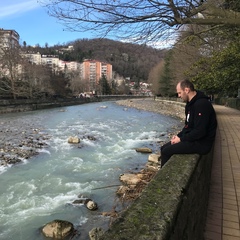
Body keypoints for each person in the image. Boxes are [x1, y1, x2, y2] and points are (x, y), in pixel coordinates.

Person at [160, 79, 217, 167]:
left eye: (179, 93)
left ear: (186, 90)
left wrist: (181, 139)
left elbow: (200, 131)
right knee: (163, 148)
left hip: (202, 143)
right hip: (196, 139)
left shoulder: (201, 104)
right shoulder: (190, 105)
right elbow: (188, 127)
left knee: (166, 151)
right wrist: (179, 136)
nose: (178, 96)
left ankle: (164, 178)